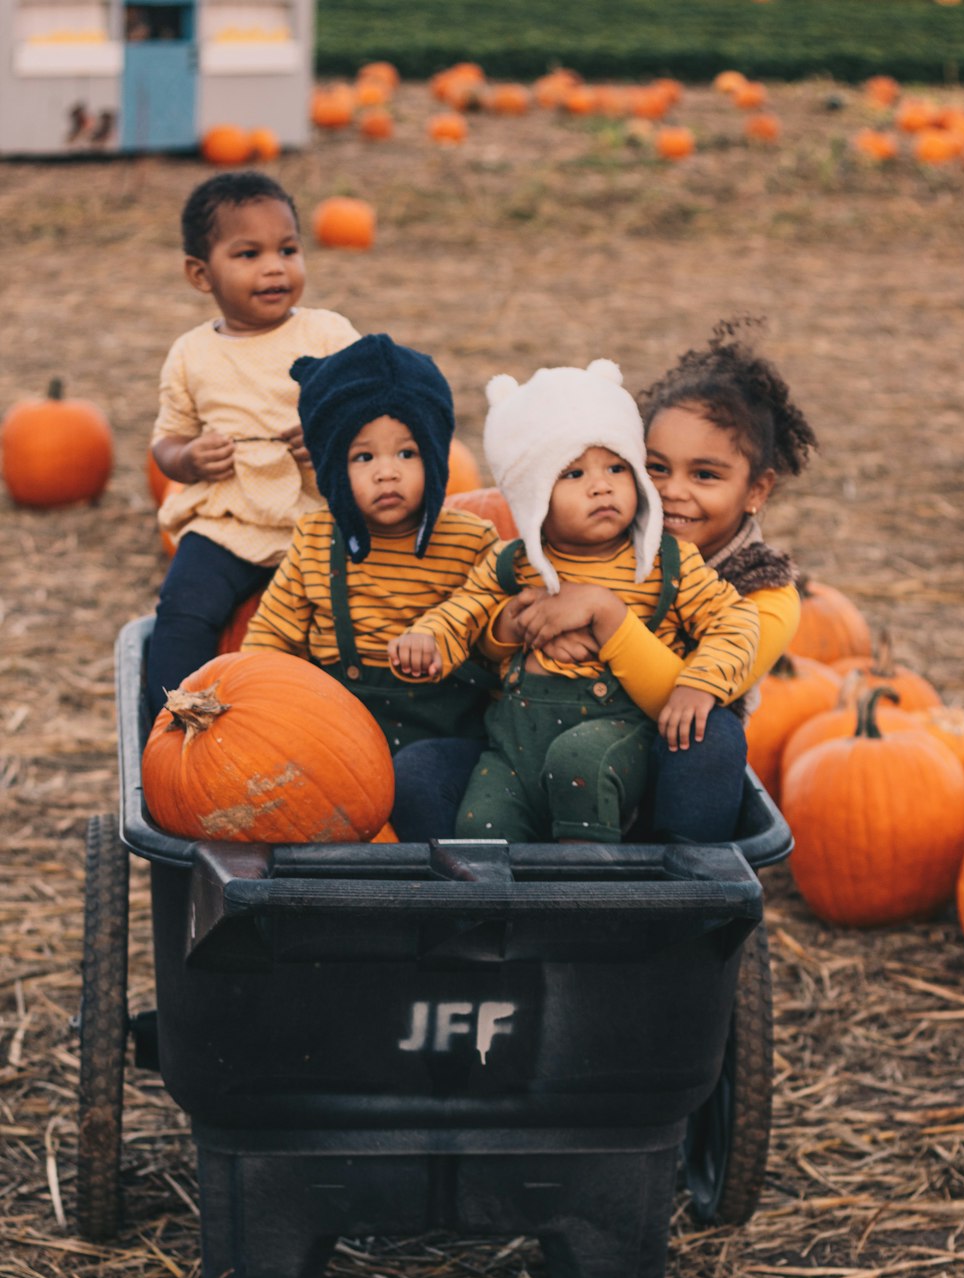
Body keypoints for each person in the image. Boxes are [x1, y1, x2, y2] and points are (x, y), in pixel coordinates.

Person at [389, 359, 760, 844]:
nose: (601, 485)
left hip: (613, 734)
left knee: (578, 763)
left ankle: (584, 900)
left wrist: (701, 684)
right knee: (482, 825)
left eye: (616, 467)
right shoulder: (511, 563)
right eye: (572, 474)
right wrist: (428, 638)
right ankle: (495, 917)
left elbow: (735, 620)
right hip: (514, 746)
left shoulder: (668, 563)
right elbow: (464, 609)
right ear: (530, 499)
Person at [240, 334, 502, 840]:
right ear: (333, 466)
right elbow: (270, 645)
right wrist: (249, 712)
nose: (387, 473)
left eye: (407, 453)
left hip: (448, 742)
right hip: (340, 743)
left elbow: (497, 627)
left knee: (417, 782)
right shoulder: (316, 542)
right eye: (363, 458)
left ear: (436, 456)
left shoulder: (473, 542)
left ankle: (445, 907)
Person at [144, 170, 359, 719]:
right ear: (200, 274)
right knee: (183, 611)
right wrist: (187, 460)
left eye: (288, 249)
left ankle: (345, 721)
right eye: (248, 254)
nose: (274, 267)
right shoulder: (192, 354)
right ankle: (175, 721)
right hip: (228, 521)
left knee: (353, 617)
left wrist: (333, 438)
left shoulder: (328, 336)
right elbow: (166, 441)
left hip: (319, 519)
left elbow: (374, 417)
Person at [615, 318, 818, 840]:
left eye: (704, 475)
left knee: (711, 734)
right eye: (657, 468)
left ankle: (684, 900)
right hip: (567, 755)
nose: (673, 491)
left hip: (669, 788)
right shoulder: (605, 540)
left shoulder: (766, 591)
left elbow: (683, 695)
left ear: (757, 489)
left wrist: (606, 621)